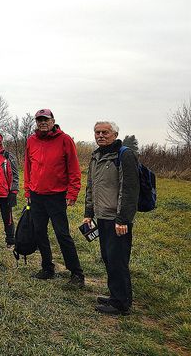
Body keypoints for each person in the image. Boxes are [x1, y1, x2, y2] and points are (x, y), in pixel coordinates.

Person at [24, 108, 85, 287]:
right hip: (36, 196)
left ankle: (76, 273)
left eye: (46, 119)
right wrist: (28, 191)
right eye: (39, 120)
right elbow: (28, 168)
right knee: (39, 232)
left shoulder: (65, 140)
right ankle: (47, 268)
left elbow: (74, 169)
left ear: (53, 121)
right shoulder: (31, 140)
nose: (43, 122)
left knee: (62, 234)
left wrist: (72, 192)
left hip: (57, 196)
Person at [83, 121, 139, 315]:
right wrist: (88, 213)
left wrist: (123, 219)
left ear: (115, 134)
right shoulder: (96, 156)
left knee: (118, 260)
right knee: (108, 258)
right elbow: (91, 187)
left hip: (117, 220)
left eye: (105, 132)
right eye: (97, 132)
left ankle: (121, 304)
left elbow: (129, 189)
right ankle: (116, 296)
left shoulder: (124, 155)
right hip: (102, 216)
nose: (100, 135)